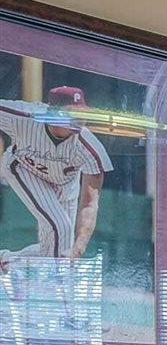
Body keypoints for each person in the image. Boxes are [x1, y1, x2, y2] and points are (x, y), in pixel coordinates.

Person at [1, 85, 112, 268]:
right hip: (23, 169)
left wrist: (77, 249)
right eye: (71, 113)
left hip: (65, 184)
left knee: (58, 248)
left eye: (82, 112)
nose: (80, 119)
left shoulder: (90, 148)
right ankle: (55, 293)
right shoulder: (24, 116)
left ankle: (7, 261)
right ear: (52, 112)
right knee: (61, 227)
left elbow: (89, 203)